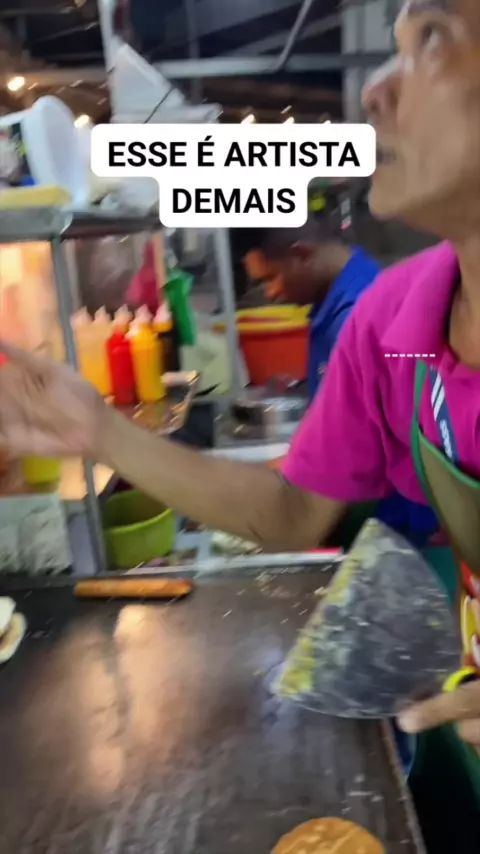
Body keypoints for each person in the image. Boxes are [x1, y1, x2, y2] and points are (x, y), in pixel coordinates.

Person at [1, 0, 480, 842]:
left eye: (434, 38)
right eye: (394, 43)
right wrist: (97, 430)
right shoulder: (393, 319)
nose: (375, 88)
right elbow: (291, 511)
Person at [241, 220, 439, 549]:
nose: (271, 293)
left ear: (302, 255)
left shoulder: (355, 316)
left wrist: (253, 487)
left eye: (270, 278)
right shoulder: (340, 294)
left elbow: (351, 463)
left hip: (391, 529)